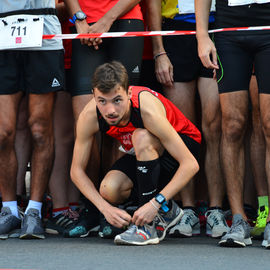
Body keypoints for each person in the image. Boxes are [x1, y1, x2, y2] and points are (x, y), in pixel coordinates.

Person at [70, 61, 200, 245]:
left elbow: (190, 164)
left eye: (117, 100)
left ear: (129, 93)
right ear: (94, 96)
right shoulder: (89, 116)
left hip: (183, 147)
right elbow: (76, 171)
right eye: (102, 101)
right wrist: (105, 208)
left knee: (140, 137)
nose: (110, 110)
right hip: (145, 154)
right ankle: (167, 210)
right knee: (109, 189)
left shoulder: (146, 110)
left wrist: (153, 204)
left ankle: (148, 225)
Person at [146, 0, 228, 238]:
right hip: (174, 31)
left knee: (213, 128)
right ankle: (188, 208)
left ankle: (215, 208)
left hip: (217, 28)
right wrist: (159, 51)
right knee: (183, 132)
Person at [195, 0, 270, 248]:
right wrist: (202, 36)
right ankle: (239, 220)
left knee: (269, 125)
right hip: (229, 30)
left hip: (267, 24)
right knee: (232, 125)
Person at [0, 0, 64, 239]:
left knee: (39, 128)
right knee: (3, 132)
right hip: (3, 33)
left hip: (44, 30)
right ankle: (9, 208)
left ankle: (34, 210)